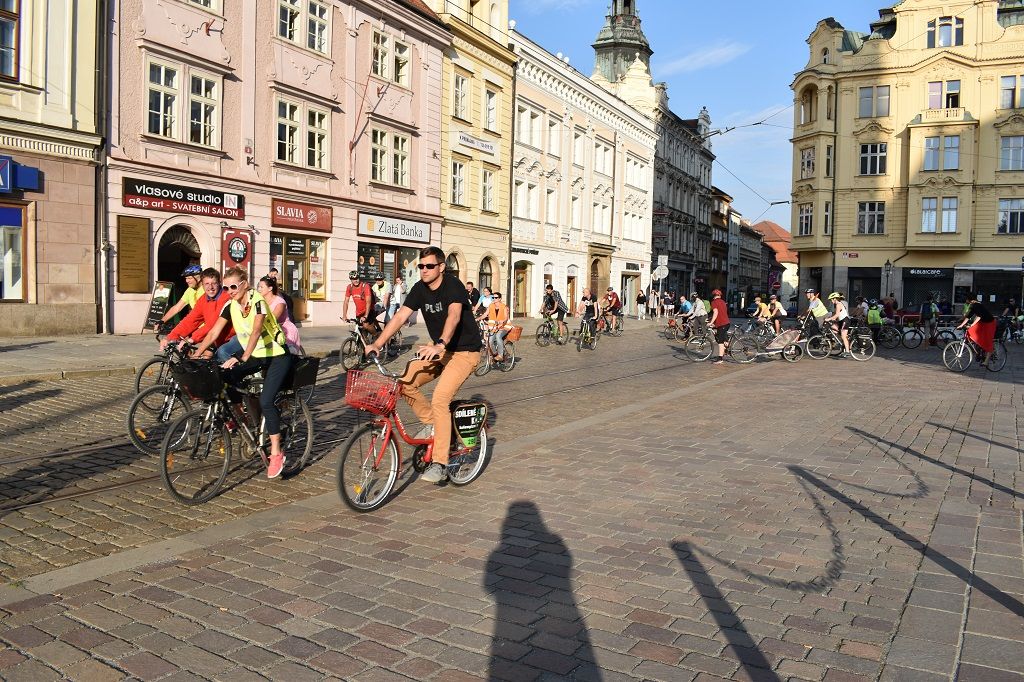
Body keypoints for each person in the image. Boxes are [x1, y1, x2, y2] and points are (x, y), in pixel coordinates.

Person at [366, 246, 483, 484]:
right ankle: (435, 426)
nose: (424, 270)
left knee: (440, 398)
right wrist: (377, 342)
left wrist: (440, 343)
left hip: (464, 352)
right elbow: (400, 316)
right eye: (421, 266)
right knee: (405, 382)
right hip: (439, 349)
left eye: (430, 266)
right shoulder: (420, 288)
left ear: (441, 267)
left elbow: (454, 316)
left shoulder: (453, 286)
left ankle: (440, 462)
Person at [193, 267, 294, 479]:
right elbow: (213, 332)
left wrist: (243, 357)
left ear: (245, 284)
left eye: (233, 286)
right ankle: (245, 420)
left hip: (276, 354)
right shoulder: (230, 306)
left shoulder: (257, 300)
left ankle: (276, 453)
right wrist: (197, 354)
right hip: (256, 353)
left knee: (267, 400)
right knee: (226, 378)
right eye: (226, 287)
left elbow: (257, 329)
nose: (229, 291)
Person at [161, 268, 237, 363]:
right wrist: (170, 337)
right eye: (207, 284)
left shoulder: (226, 298)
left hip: (230, 337)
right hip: (214, 337)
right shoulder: (203, 299)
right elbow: (191, 320)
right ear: (203, 284)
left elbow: (213, 325)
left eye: (214, 283)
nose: (211, 287)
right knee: (201, 360)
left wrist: (192, 339)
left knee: (214, 355)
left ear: (219, 283)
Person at [257, 276, 303, 355]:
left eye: (261, 287)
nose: (259, 289)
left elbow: (273, 319)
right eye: (258, 287)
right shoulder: (260, 301)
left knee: (285, 354)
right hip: (269, 330)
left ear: (270, 288)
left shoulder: (280, 302)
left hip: (285, 331)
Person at [156, 265, 203, 330]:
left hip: (205, 327)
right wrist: (162, 320)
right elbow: (177, 307)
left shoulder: (207, 290)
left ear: (199, 278)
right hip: (195, 326)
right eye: (186, 278)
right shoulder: (190, 290)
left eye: (189, 278)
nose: (187, 281)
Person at [958, 295, 996, 366]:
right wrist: (961, 325)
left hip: (989, 323)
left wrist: (972, 325)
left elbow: (979, 316)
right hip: (983, 322)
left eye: (966, 300)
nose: (966, 301)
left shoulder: (977, 305)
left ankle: (986, 361)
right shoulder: (973, 305)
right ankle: (980, 352)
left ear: (969, 300)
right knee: (973, 334)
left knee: (988, 341)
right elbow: (968, 317)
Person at [342, 270, 379, 334]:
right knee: (360, 330)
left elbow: (368, 302)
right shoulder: (349, 287)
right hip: (359, 312)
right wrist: (344, 315)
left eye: (357, 278)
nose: (355, 280)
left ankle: (377, 337)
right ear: (350, 280)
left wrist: (366, 316)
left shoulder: (365, 286)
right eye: (353, 279)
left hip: (369, 310)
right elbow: (346, 302)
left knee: (366, 326)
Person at [484, 292, 512, 362]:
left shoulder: (504, 307)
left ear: (499, 299)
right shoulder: (491, 306)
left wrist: (503, 320)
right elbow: (485, 314)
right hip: (495, 327)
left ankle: (500, 355)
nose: (494, 299)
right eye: (493, 297)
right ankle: (495, 354)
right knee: (489, 341)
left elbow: (506, 317)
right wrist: (477, 319)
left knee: (498, 336)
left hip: (504, 326)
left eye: (496, 298)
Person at [823, 292, 852, 357]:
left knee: (843, 336)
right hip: (841, 321)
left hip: (845, 320)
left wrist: (829, 319)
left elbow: (837, 315)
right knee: (834, 330)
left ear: (835, 299)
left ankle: (847, 351)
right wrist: (829, 317)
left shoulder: (838, 304)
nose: (831, 301)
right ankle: (842, 345)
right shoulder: (837, 304)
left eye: (832, 299)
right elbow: (835, 314)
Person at [708, 289, 730, 365]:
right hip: (726, 323)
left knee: (720, 342)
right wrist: (714, 322)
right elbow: (722, 313)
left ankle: (720, 359)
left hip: (722, 324)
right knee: (721, 337)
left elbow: (716, 313)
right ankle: (726, 348)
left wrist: (711, 322)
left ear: (713, 295)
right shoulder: (723, 302)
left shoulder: (714, 302)